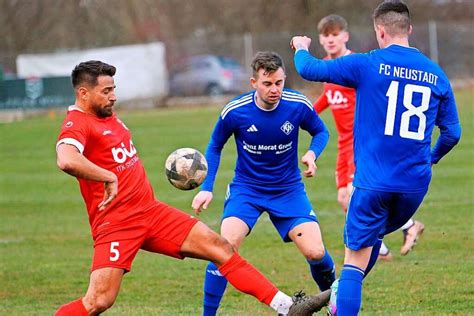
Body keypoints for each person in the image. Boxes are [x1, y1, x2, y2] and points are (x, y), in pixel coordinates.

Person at [53, 60, 331, 316]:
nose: (113, 96)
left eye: (114, 89)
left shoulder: (106, 115)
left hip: (150, 212)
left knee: (220, 246)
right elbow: (66, 159)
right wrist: (108, 176)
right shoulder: (77, 123)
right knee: (99, 301)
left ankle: (287, 307)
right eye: (106, 91)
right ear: (83, 93)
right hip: (117, 223)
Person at [291, 0, 461, 315]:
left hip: (373, 182)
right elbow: (452, 133)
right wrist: (432, 159)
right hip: (414, 187)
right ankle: (336, 297)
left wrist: (301, 46)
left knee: (354, 262)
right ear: (409, 29)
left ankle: (338, 302)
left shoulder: (367, 63)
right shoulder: (437, 74)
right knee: (372, 238)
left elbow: (308, 68)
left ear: (379, 31)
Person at [192, 51, 336, 316]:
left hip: (288, 189)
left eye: (279, 83)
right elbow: (215, 146)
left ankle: (336, 306)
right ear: (253, 83)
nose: (275, 89)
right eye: (268, 84)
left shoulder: (297, 104)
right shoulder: (236, 111)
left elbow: (321, 131)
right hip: (247, 189)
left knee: (316, 252)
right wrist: (206, 188)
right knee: (224, 247)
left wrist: (312, 153)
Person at [314, 14, 425, 261]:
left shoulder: (356, 65)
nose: (331, 40)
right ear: (320, 40)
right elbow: (328, 97)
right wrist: (305, 114)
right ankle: (395, 236)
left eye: (335, 35)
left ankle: (400, 230)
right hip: (344, 144)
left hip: (363, 142)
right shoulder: (327, 66)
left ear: (345, 36)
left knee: (359, 193)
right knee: (344, 198)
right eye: (326, 36)